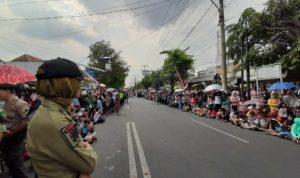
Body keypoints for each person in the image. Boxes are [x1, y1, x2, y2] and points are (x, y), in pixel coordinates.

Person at [26, 58, 97, 178]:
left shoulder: (53, 111)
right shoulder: (56, 120)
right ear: (66, 83)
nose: (81, 84)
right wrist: (87, 147)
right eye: (78, 80)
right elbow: (89, 163)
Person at [0, 84, 29, 178]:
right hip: (6, 137)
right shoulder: (5, 103)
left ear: (7, 91)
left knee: (17, 165)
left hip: (16, 137)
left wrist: (13, 132)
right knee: (9, 162)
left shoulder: (21, 104)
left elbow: (27, 121)